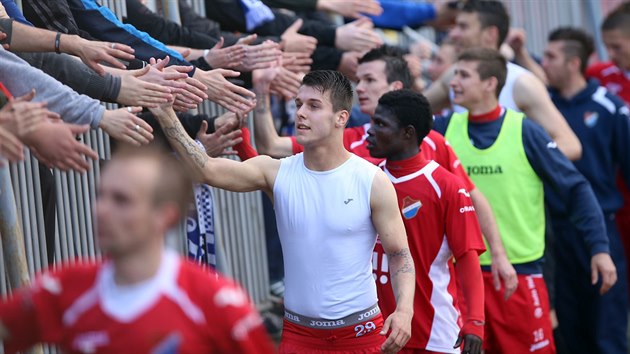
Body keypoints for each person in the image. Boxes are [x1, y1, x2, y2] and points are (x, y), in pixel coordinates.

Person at [150, 69, 415, 353]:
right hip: (299, 337)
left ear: (341, 117)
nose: (301, 113)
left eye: (313, 106)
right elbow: (205, 169)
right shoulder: (276, 172)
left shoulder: (371, 180)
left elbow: (399, 254)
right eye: (298, 104)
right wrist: (165, 114)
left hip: (362, 335)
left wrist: (404, 311)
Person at [252, 46, 517, 299]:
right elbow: (271, 146)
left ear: (395, 87)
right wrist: (261, 89)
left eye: (369, 79)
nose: (360, 88)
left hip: (429, 291)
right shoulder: (343, 139)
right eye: (359, 79)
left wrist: (499, 254)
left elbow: (470, 197)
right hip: (366, 295)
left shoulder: (434, 142)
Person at [0, 145, 276, 353]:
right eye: (100, 196)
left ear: (164, 215)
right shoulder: (62, 288)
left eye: (121, 200)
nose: (101, 210)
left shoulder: (219, 303)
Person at [433, 47, 617, 354]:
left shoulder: (524, 131)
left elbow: (576, 189)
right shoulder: (441, 131)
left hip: (518, 275)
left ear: (490, 83)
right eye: (455, 74)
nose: (453, 82)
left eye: (463, 75)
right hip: (460, 274)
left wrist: (599, 248)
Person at [367, 88, 486, 354]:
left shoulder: (445, 185)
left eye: (381, 124)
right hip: (373, 331)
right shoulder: (364, 177)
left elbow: (467, 257)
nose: (369, 130)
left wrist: (475, 321)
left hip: (432, 335)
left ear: (408, 133)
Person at [542, 27, 630, 354]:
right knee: (566, 327)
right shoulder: (542, 108)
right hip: (553, 229)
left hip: (600, 228)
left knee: (606, 327)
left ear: (572, 63)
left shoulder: (609, 107)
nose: (544, 64)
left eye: (551, 57)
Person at [424, 0, 582, 161]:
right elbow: (413, 112)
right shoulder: (452, 76)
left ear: (490, 34)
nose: (453, 34)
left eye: (463, 27)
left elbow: (570, 144)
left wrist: (517, 163)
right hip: (466, 187)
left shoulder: (521, 82)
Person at [586, 3, 630, 302]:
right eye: (606, 47)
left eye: (616, 47)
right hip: (618, 194)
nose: (610, 54)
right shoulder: (602, 75)